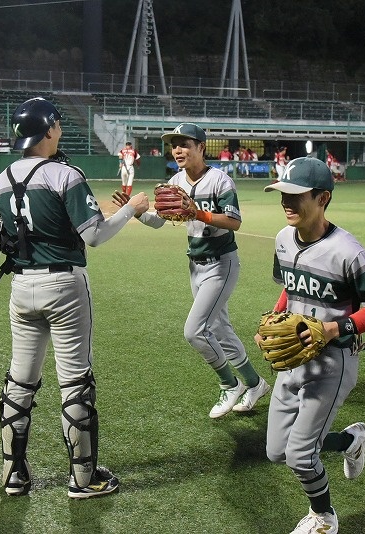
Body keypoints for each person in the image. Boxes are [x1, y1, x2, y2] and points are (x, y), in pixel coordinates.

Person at [0, 97, 149, 498]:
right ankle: (83, 478)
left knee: (20, 380)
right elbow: (95, 234)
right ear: (49, 130)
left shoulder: (1, 179)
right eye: (57, 124)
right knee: (76, 380)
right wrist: (131, 209)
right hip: (63, 285)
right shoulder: (65, 174)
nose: (59, 129)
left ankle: (13, 475)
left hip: (21, 287)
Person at [259, 157, 365, 533]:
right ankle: (351, 440)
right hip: (294, 357)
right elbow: (290, 288)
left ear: (322, 198)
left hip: (334, 362)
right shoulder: (283, 240)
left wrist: (335, 328)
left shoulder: (348, 252)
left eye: (295, 196)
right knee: (277, 451)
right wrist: (274, 321)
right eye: (282, 194)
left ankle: (324, 517)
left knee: (300, 456)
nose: (286, 202)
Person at [115, 122, 270, 418]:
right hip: (195, 265)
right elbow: (159, 220)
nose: (177, 150)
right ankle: (255, 384)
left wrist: (197, 212)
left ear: (201, 147)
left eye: (184, 144)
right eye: (174, 145)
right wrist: (135, 212)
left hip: (221, 264)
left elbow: (234, 222)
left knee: (195, 331)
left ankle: (230, 384)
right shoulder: (176, 181)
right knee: (221, 330)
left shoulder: (220, 181)